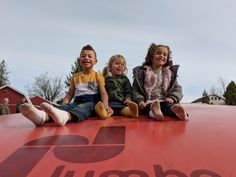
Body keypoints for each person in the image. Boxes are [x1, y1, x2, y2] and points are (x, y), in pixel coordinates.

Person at [20, 44, 113, 126]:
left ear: (95, 61)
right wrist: (64, 105)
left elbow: (103, 93)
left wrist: (105, 105)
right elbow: (70, 94)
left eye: (90, 56)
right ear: (80, 60)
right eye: (83, 56)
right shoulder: (76, 77)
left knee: (82, 109)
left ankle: (65, 117)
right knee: (61, 108)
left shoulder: (98, 76)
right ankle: (42, 117)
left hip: (91, 102)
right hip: (77, 101)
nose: (86, 58)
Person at [132, 43, 188, 121]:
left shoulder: (169, 73)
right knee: (149, 107)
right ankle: (155, 113)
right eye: (158, 53)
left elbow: (177, 88)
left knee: (169, 107)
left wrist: (173, 97)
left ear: (167, 58)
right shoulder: (142, 72)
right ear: (151, 56)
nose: (162, 56)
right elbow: (136, 90)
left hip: (164, 101)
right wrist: (140, 101)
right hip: (148, 102)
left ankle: (180, 114)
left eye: (165, 55)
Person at [95, 54, 138, 119]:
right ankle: (103, 113)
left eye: (122, 64)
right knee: (107, 111)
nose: (120, 65)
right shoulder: (106, 80)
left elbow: (128, 91)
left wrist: (128, 99)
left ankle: (132, 112)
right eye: (117, 63)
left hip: (121, 104)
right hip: (109, 104)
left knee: (125, 110)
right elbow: (102, 92)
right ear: (110, 68)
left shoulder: (125, 79)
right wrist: (103, 103)